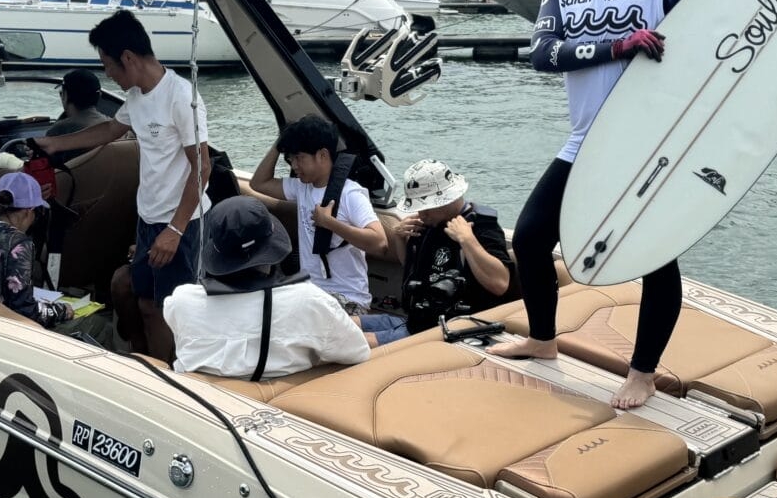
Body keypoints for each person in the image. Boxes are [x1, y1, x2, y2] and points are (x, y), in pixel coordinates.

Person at [487, 0, 694, 410]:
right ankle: (542, 339)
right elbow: (541, 55)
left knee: (655, 257)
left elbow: (712, 51)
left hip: (647, 144)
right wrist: (616, 47)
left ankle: (643, 373)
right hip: (584, 138)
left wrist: (766, 110)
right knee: (530, 239)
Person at [30, 10, 209, 361]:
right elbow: (110, 131)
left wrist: (175, 229)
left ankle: (169, 379)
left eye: (108, 65)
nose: (107, 74)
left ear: (127, 58)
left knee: (166, 311)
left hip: (181, 223)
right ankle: (144, 364)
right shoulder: (137, 97)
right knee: (142, 301)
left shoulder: (180, 97)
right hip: (149, 219)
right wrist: (54, 145)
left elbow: (202, 168)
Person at [165, 197, 369, 380]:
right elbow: (358, 352)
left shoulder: (181, 301)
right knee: (390, 326)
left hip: (200, 405)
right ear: (273, 248)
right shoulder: (309, 301)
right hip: (277, 408)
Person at [362, 159, 515, 346]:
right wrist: (400, 239)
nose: (421, 214)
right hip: (417, 321)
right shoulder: (428, 223)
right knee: (342, 323)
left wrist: (467, 240)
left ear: (446, 200)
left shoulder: (482, 227)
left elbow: (500, 283)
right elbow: (413, 269)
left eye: (425, 207)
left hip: (448, 331)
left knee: (349, 342)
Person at [247, 115, 387, 312]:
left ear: (322, 155)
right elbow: (258, 183)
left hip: (346, 299)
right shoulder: (302, 187)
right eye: (291, 158)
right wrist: (281, 143)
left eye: (300, 158)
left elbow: (380, 243)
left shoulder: (350, 194)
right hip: (310, 293)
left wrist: (330, 223)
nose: (294, 166)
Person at [0, 171, 75, 329]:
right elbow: (25, 310)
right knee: (99, 327)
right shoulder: (19, 243)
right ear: (28, 212)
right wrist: (62, 310)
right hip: (3, 328)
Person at [45, 68, 112, 138]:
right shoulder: (111, 125)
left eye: (61, 93)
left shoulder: (58, 131)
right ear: (99, 95)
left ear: (65, 95)